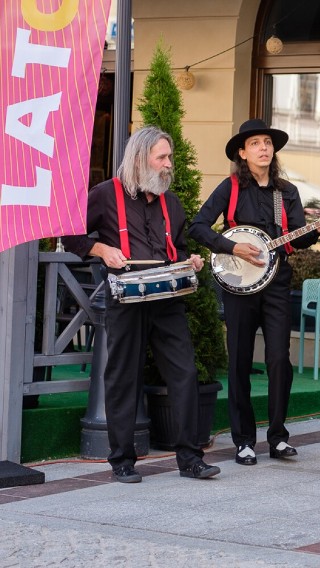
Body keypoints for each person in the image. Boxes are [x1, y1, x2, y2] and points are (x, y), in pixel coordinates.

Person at [63, 126, 220, 482]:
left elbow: (176, 249)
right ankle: (121, 460)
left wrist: (188, 261)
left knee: (185, 373)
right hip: (126, 300)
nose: (168, 165)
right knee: (122, 376)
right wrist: (102, 249)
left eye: (170, 158)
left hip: (166, 300)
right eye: (161, 158)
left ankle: (190, 458)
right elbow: (71, 235)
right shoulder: (105, 195)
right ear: (140, 159)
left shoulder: (171, 202)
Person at [189, 119, 320, 466]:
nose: (263, 148)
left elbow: (298, 238)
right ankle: (243, 440)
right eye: (255, 143)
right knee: (239, 361)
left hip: (278, 282)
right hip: (239, 285)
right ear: (242, 152)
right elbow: (196, 225)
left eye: (267, 142)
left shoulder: (286, 192)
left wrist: (317, 229)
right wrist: (230, 246)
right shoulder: (230, 188)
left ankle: (278, 437)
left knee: (278, 360)